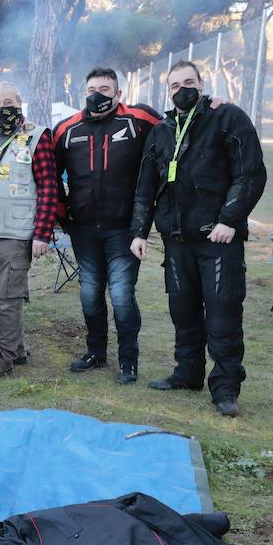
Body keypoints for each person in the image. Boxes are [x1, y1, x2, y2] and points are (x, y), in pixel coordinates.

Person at [130, 59, 267, 418]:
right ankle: (187, 373)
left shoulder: (227, 118)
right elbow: (145, 186)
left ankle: (225, 387)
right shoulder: (161, 131)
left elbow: (250, 173)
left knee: (222, 311)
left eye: (188, 82)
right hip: (176, 239)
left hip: (218, 238)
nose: (182, 90)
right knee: (182, 309)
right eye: (174, 85)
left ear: (202, 84)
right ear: (168, 91)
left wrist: (230, 220)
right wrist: (139, 232)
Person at [53, 67, 162, 384]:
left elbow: (177, 128)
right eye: (91, 88)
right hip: (83, 228)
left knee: (121, 295)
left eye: (104, 88)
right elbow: (47, 172)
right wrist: (62, 216)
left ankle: (129, 361)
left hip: (124, 229)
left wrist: (213, 106)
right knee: (89, 293)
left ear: (119, 94)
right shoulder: (66, 129)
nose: (97, 94)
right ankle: (96, 352)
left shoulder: (140, 119)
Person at [0, 81, 60, 380]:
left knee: (7, 294)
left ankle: (4, 357)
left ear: (20, 103)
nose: (3, 108)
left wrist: (42, 233)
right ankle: (16, 347)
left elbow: (48, 187)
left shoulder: (36, 137)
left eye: (9, 102)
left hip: (16, 230)